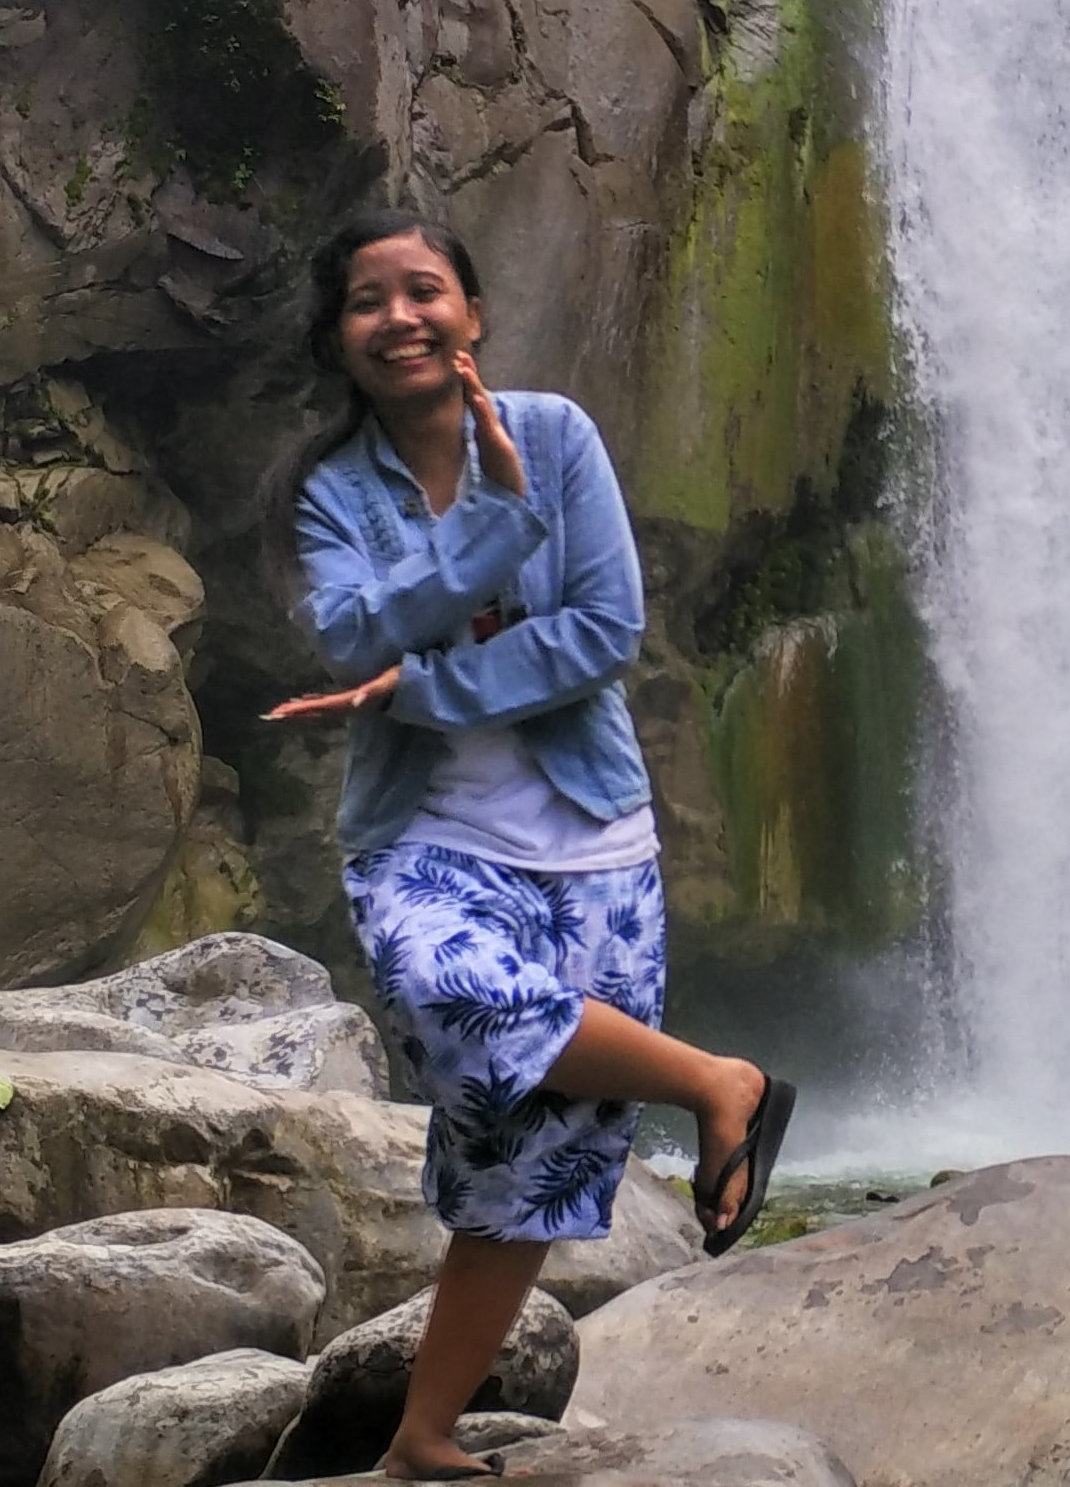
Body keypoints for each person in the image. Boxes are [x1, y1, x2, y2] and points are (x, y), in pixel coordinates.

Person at [261, 207, 795, 1482]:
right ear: (337, 341)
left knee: (525, 1151)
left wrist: (426, 684)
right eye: (367, 300)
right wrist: (496, 529)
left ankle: (421, 1435)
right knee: (456, 994)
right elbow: (351, 636)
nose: (400, 316)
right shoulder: (328, 494)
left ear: (473, 314)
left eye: (424, 289)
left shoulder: (556, 436)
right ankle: (721, 1084)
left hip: (589, 839)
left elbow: (604, 626)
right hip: (422, 836)